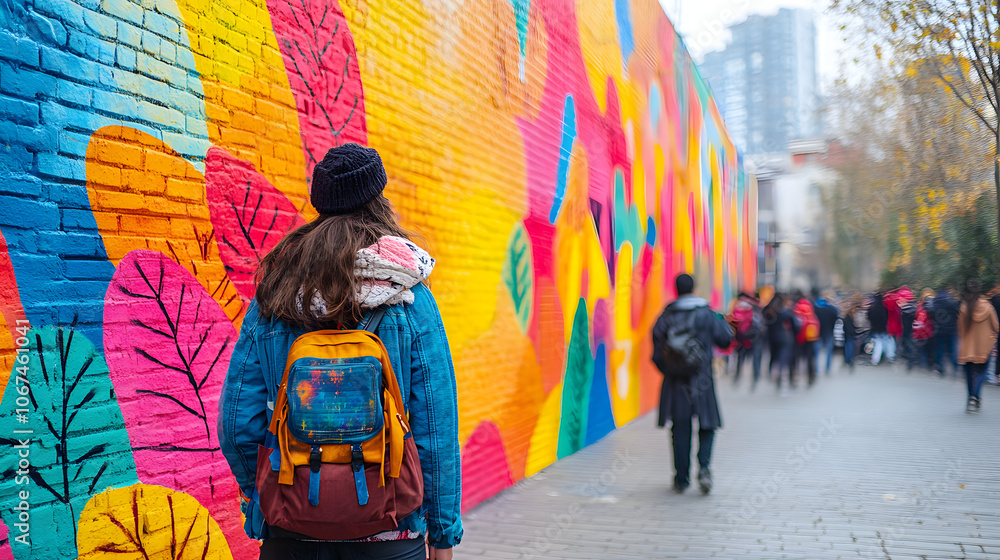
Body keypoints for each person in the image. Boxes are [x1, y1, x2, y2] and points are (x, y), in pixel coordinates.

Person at [219, 144, 463, 560]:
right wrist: (442, 534)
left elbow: (236, 421)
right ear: (379, 200)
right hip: (391, 531)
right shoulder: (408, 294)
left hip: (291, 531)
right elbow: (435, 428)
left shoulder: (275, 294)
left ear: (320, 203)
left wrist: (264, 497)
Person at [653, 273, 733, 495]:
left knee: (680, 428)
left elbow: (656, 354)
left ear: (676, 289)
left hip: (675, 382)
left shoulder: (666, 315)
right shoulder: (707, 313)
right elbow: (726, 339)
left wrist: (671, 371)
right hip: (703, 380)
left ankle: (681, 478)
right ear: (695, 288)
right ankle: (705, 468)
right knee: (707, 424)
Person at [958, 286, 999, 411]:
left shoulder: (965, 307)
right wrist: (992, 338)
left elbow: (960, 327)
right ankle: (976, 396)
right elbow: (996, 326)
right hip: (984, 346)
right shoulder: (988, 306)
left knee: (969, 374)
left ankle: (971, 397)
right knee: (981, 372)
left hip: (967, 347)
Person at [730, 292, 765, 388]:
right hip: (754, 337)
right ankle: (755, 378)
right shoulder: (755, 307)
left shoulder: (737, 307)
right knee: (755, 358)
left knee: (740, 358)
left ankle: (737, 378)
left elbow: (733, 322)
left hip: (741, 337)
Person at [932, 287, 961, 376]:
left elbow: (933, 316)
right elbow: (957, 314)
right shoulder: (951, 303)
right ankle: (955, 368)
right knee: (953, 349)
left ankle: (940, 367)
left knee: (940, 349)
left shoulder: (935, 303)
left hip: (940, 330)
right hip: (952, 330)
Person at [814, 295, 839, 375]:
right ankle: (827, 369)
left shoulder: (815, 310)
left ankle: (816, 369)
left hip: (818, 333)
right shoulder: (831, 310)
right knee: (829, 351)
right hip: (829, 332)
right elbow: (837, 317)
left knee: (816, 352)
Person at [867, 291, 894, 365]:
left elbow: (869, 317)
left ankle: (875, 360)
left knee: (878, 344)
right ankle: (890, 356)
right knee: (887, 342)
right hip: (884, 328)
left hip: (875, 328)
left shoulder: (872, 308)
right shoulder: (885, 308)